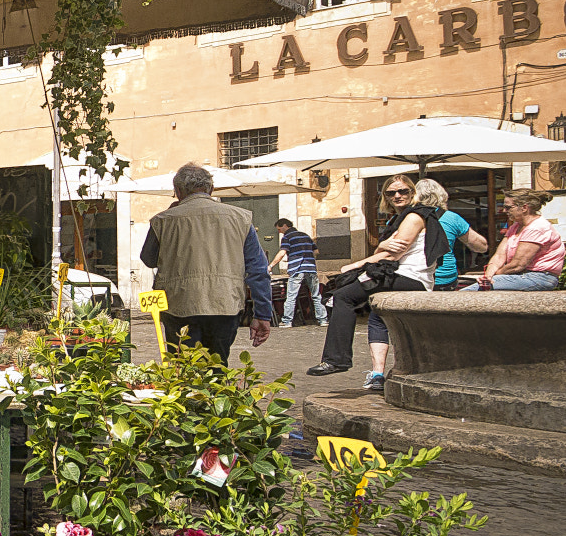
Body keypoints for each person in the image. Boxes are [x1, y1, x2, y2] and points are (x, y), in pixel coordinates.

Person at [307, 174, 448, 390]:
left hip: (410, 278)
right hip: (405, 277)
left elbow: (392, 255)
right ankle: (375, 373)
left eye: (403, 191)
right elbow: (383, 251)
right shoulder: (400, 219)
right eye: (391, 193)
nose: (397, 196)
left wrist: (356, 264)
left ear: (413, 193)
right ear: (385, 196)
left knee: (342, 297)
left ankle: (337, 360)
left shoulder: (413, 217)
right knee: (373, 313)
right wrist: (381, 249)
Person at [138, 163, 275, 363]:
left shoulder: (163, 220)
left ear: (177, 191)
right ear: (211, 189)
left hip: (178, 305)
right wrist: (263, 314)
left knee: (184, 368)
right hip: (225, 304)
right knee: (217, 366)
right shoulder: (240, 218)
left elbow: (148, 260)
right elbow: (258, 270)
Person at [464, 188, 564, 291]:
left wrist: (493, 276)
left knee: (467, 293)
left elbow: (518, 265)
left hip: (539, 278)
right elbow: (499, 256)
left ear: (524, 208)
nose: (504, 211)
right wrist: (488, 276)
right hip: (520, 276)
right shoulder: (515, 226)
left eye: (508, 207)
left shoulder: (537, 227)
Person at [412, 177, 490, 290]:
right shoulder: (451, 218)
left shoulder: (403, 219)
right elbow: (481, 247)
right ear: (442, 196)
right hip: (445, 279)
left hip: (415, 278)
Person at [269, 218, 325, 327]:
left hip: (297, 269)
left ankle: (287, 321)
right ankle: (323, 319)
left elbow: (282, 253)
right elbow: (316, 251)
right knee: (316, 295)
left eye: (280, 229)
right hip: (310, 268)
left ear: (285, 225)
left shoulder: (287, 237)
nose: (280, 232)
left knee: (291, 296)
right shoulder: (305, 235)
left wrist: (271, 266)